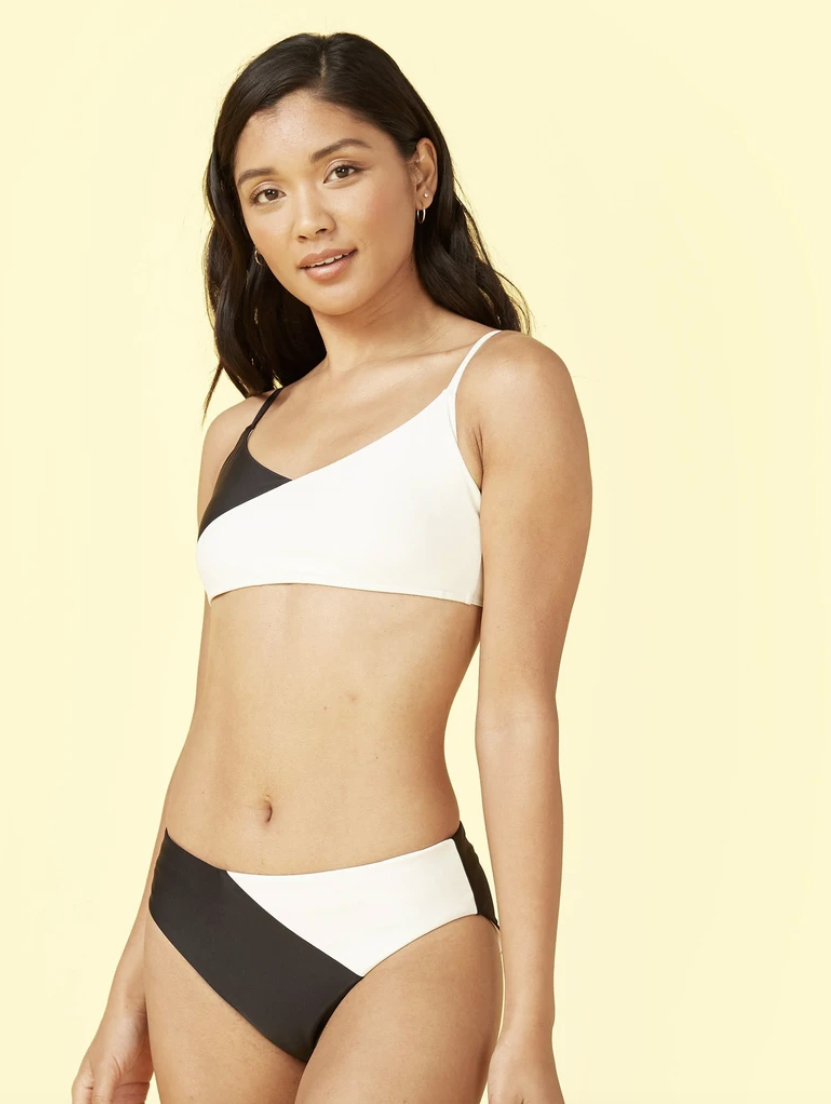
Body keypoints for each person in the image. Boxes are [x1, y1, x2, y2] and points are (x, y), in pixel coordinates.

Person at [72, 30, 591, 1104]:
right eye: (265, 194)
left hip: (400, 926)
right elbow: (216, 722)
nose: (306, 218)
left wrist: (529, 1025)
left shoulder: (502, 388)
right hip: (200, 920)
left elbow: (516, 713)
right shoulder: (236, 437)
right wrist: (127, 995)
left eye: (340, 171)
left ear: (419, 172)